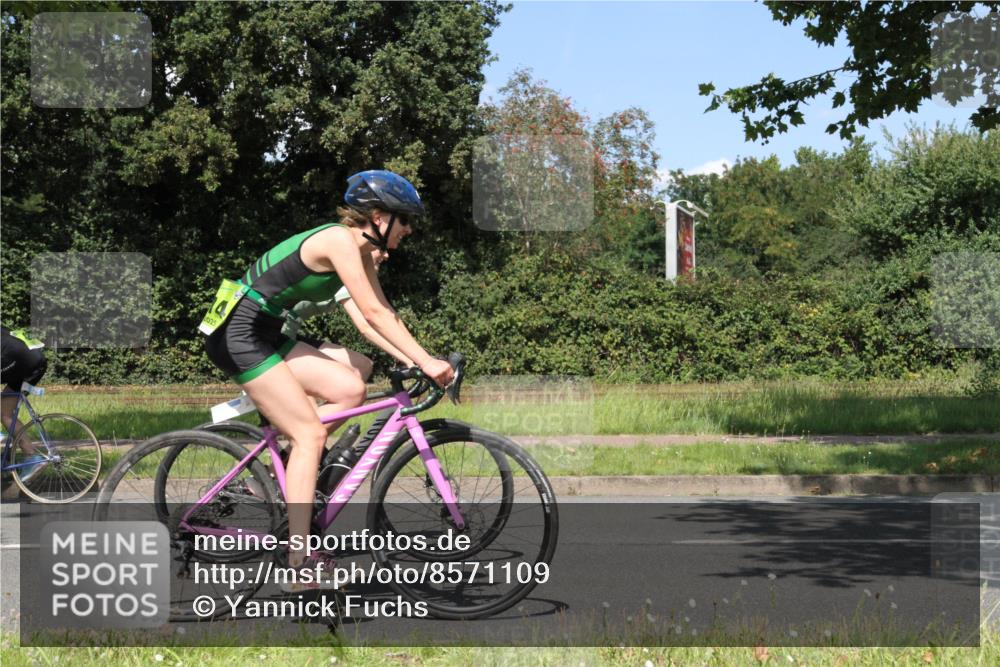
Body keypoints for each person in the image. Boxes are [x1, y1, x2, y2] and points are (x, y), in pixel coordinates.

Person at [203, 170, 453, 589]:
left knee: (350, 388)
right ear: (377, 217)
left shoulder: (358, 250)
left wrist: (420, 358)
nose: (409, 229)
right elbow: (371, 316)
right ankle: (299, 565)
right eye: (404, 219)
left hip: (266, 333)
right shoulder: (339, 240)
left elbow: (383, 313)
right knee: (309, 437)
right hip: (240, 332)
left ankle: (280, 472)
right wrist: (427, 362)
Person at [280, 247, 415, 382]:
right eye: (381, 248)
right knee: (311, 395)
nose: (386, 255)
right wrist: (407, 359)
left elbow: (386, 315)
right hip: (277, 334)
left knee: (363, 366)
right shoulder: (344, 275)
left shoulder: (354, 276)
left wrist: (414, 355)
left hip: (291, 332)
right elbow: (366, 328)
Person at [1, 325, 48, 489]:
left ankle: (0, 436)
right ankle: (31, 457)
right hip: (35, 361)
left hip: (22, 361)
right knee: (5, 413)